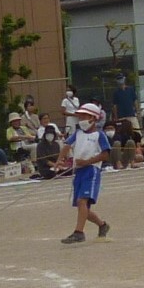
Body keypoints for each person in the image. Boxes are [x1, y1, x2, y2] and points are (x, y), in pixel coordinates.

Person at [57, 103, 112, 244]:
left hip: (91, 170)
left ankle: (79, 232)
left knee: (83, 201)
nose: (81, 119)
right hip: (79, 171)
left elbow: (105, 155)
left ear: (93, 118)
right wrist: (59, 160)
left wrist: (87, 162)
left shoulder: (99, 135)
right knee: (82, 206)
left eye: (84, 116)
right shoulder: (78, 133)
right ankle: (102, 225)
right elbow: (67, 145)